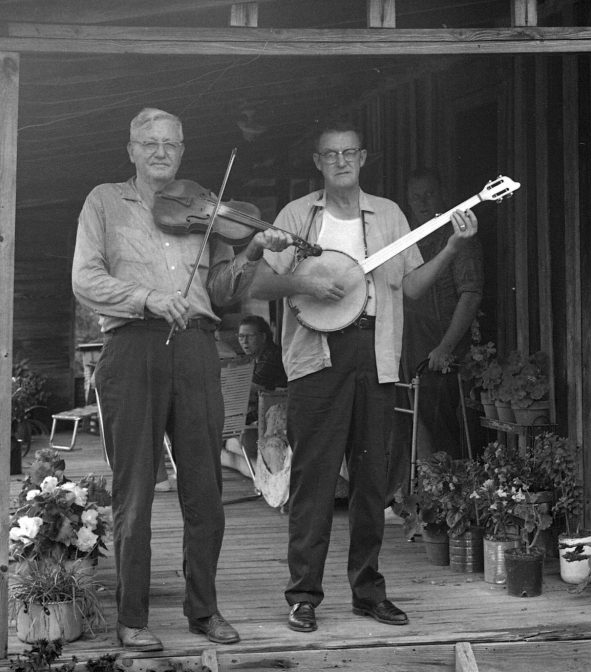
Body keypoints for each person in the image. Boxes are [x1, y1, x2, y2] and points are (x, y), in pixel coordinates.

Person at [71, 107, 292, 651]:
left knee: (204, 488)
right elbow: (85, 278)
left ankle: (204, 610)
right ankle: (132, 617)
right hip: (132, 347)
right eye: (149, 142)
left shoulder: (205, 211)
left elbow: (221, 291)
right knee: (136, 490)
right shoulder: (104, 201)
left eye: (170, 143)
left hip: (196, 347)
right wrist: (147, 298)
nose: (160, 151)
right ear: (131, 149)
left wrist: (255, 250)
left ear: (182, 149)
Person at [249, 117, 479, 633]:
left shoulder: (390, 214)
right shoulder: (297, 216)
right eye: (330, 155)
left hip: (375, 352)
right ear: (318, 162)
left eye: (349, 153)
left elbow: (414, 287)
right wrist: (304, 281)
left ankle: (368, 592)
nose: (341, 161)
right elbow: (259, 281)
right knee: (314, 476)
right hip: (317, 356)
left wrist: (452, 248)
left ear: (363, 157)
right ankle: (304, 595)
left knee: (372, 479)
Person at [398, 169, 484, 463]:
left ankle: (446, 498)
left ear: (443, 194)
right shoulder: (408, 237)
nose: (422, 203)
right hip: (412, 345)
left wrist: (446, 347)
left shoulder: (458, 236)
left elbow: (470, 294)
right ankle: (422, 496)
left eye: (429, 194)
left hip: (444, 346)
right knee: (414, 422)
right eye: (415, 197)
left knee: (443, 428)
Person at [237, 314, 288, 423]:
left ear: (263, 337)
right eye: (241, 336)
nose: (245, 341)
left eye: (250, 336)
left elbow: (249, 388)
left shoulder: (271, 356)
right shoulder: (257, 357)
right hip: (266, 410)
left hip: (279, 414)